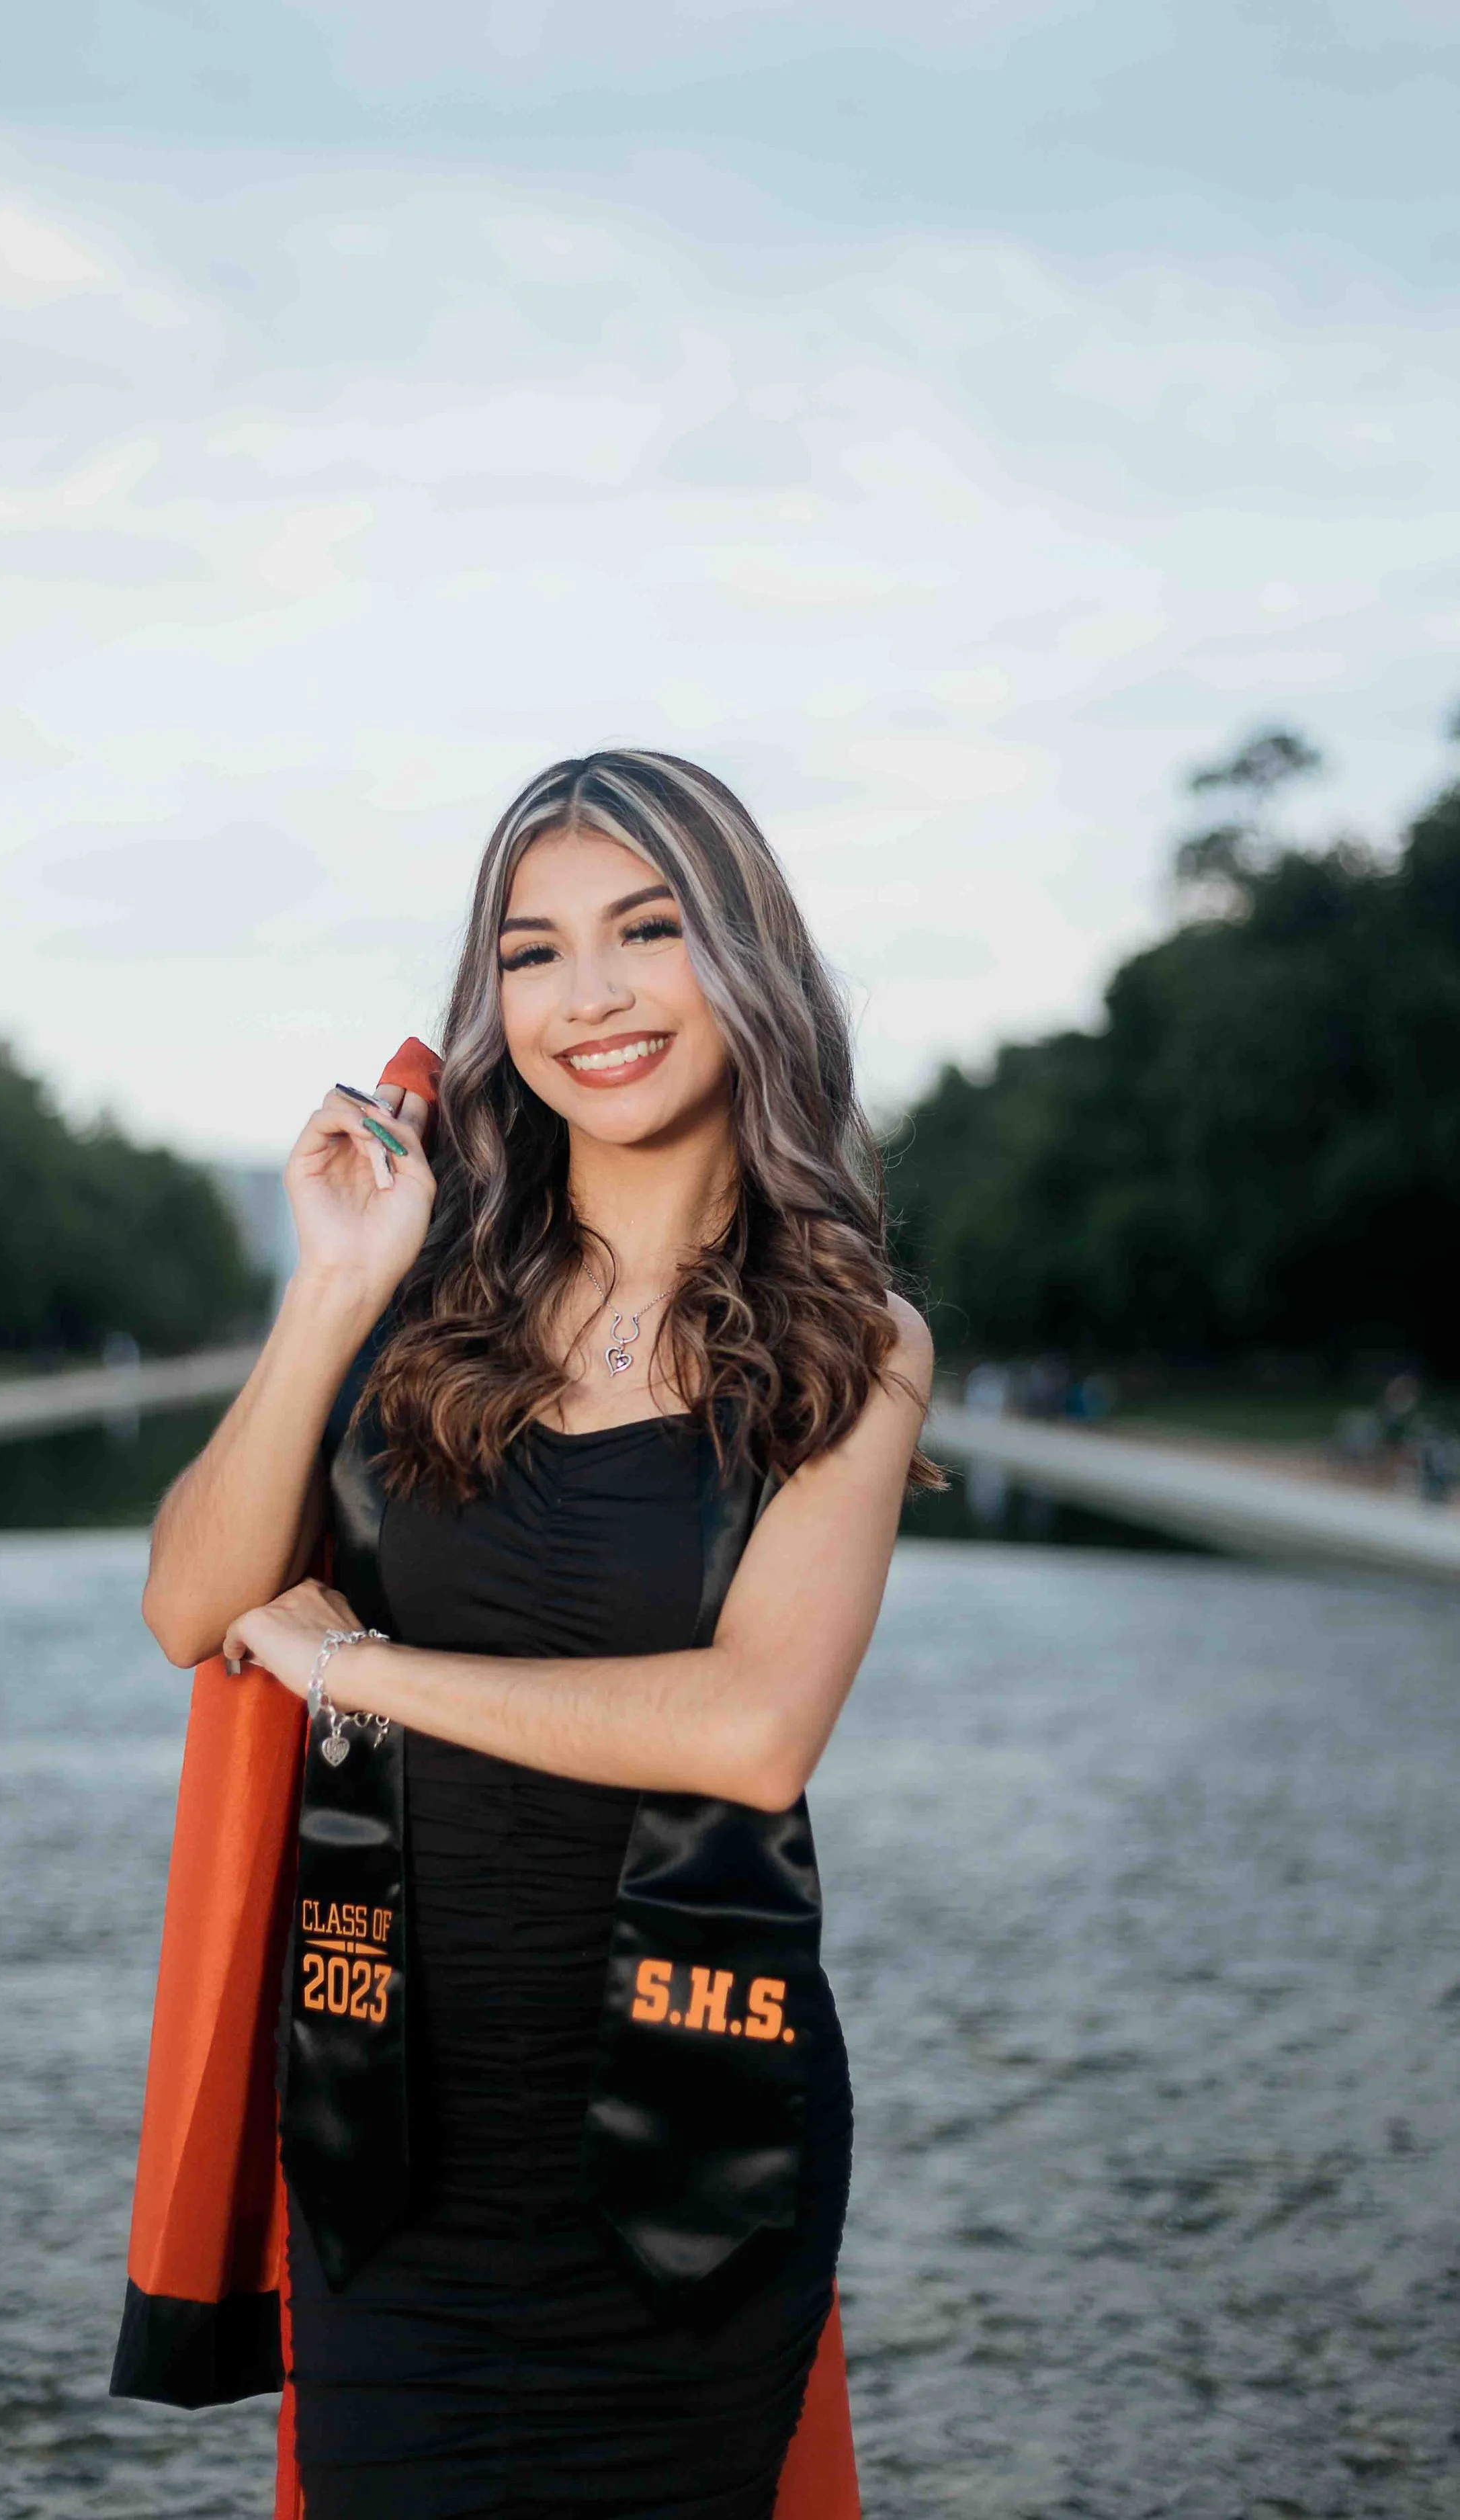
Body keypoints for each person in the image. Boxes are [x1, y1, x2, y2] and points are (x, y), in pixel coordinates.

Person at [130, 749, 937, 2519]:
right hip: (387, 2135)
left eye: (644, 931)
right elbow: (193, 1598)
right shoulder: (414, 1296)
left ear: (750, 959)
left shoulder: (844, 1339)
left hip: (683, 2148)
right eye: (533, 948)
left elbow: (748, 1731)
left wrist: (350, 1667)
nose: (589, 998)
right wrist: (332, 1284)